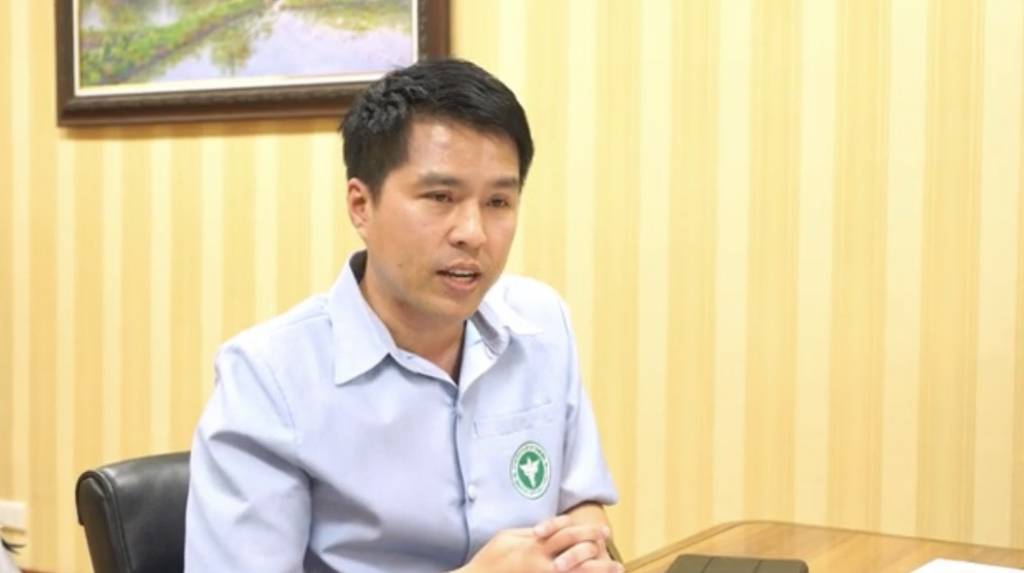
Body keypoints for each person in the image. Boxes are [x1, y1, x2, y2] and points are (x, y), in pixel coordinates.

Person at [184, 58, 621, 573]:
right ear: (361, 205)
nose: (473, 233)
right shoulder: (268, 378)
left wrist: (586, 551)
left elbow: (580, 503)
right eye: (440, 197)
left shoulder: (542, 324)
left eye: (499, 201)